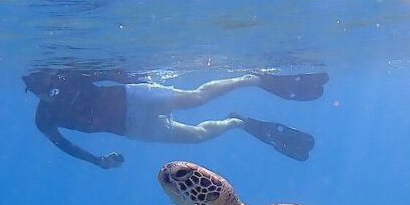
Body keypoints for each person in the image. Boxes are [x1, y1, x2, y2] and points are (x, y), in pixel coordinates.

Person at [21, 68, 327, 169]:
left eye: (49, 83)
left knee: (196, 98)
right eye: (39, 89)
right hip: (132, 128)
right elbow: (65, 146)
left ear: (53, 76)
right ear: (31, 90)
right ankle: (239, 123)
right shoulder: (44, 119)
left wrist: (136, 77)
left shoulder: (71, 75)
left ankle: (252, 79)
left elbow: (109, 73)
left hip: (133, 97)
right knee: (196, 137)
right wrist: (98, 160)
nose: (50, 91)